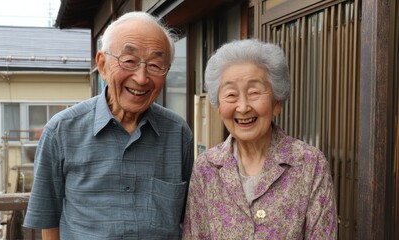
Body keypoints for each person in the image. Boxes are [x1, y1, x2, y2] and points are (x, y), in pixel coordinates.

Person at [24, 11, 194, 239]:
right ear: (102, 65)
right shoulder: (61, 131)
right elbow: (48, 221)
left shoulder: (178, 133)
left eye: (155, 65)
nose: (142, 78)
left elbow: (189, 219)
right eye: (129, 61)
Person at [182, 39, 337, 239]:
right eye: (231, 95)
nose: (243, 107)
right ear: (218, 107)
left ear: (277, 103)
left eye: (254, 92)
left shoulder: (309, 163)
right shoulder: (206, 167)